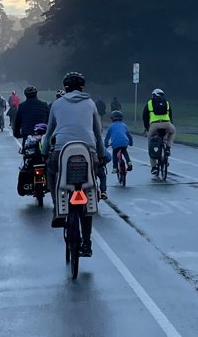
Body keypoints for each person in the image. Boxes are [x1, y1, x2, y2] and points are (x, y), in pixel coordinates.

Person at [45, 72, 104, 257]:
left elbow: (48, 134)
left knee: (52, 172)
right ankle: (87, 244)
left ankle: (57, 207)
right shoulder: (91, 103)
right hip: (88, 152)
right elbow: (98, 133)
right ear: (82, 87)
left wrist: (44, 152)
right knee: (87, 190)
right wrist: (100, 156)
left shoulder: (57, 104)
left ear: (66, 87)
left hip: (61, 150)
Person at [141, 88, 176, 172]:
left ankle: (153, 167)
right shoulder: (166, 103)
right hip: (167, 124)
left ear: (153, 95)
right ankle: (167, 148)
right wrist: (170, 124)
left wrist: (147, 128)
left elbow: (145, 117)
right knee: (173, 132)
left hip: (154, 125)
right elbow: (170, 116)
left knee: (151, 144)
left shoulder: (149, 103)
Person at [104, 111, 133, 183]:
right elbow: (129, 135)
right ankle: (129, 162)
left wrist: (106, 145)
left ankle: (115, 168)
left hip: (115, 143)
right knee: (124, 151)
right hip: (124, 142)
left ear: (112, 118)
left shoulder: (111, 126)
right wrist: (131, 143)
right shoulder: (124, 125)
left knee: (114, 153)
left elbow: (107, 137)